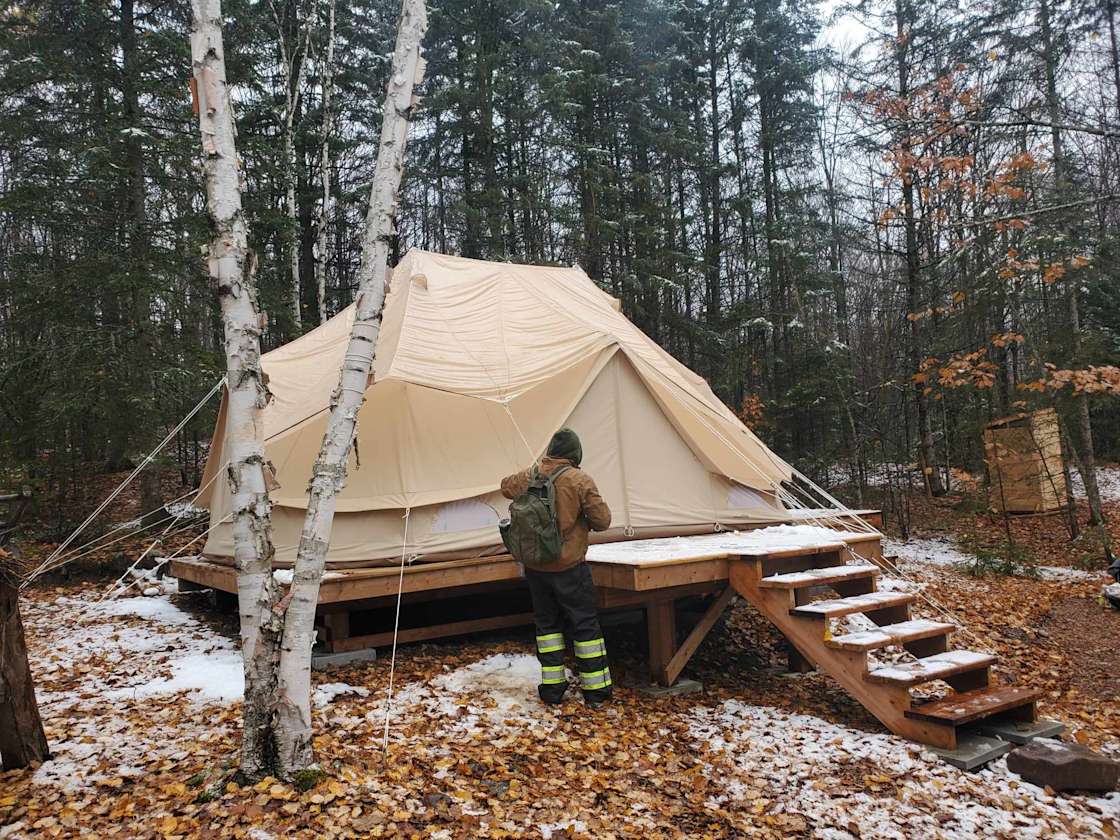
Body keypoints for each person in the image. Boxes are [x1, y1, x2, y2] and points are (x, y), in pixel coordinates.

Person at [501, 427, 613, 707]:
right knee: (584, 626)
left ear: (551, 450)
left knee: (547, 627)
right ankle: (596, 692)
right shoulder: (579, 479)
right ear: (575, 455)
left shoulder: (531, 475)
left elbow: (505, 487)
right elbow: (603, 521)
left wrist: (533, 472)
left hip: (537, 567)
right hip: (570, 567)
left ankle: (552, 690)